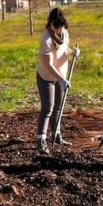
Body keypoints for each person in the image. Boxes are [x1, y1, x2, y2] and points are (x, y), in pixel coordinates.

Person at [36, 8, 80, 153]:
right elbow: (48, 64)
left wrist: (72, 51)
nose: (59, 29)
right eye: (57, 26)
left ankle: (56, 136)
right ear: (51, 23)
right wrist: (61, 79)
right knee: (48, 107)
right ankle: (41, 140)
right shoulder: (46, 39)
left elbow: (64, 49)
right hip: (46, 77)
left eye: (61, 26)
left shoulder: (64, 33)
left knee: (58, 108)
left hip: (61, 76)